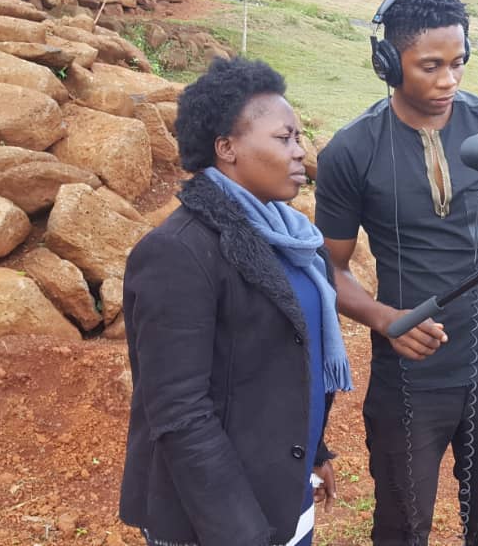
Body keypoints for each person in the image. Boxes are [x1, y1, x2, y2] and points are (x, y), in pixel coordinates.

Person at [314, 0, 478, 545]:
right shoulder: (351, 150)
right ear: (388, 63)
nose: (449, 81)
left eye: (460, 62)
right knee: (401, 527)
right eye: (431, 66)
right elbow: (330, 269)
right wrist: (384, 318)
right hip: (407, 380)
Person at [118, 57, 352, 546]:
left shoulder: (293, 242)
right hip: (216, 521)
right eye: (284, 138)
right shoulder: (177, 252)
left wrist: (312, 452)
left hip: (284, 498)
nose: (299, 152)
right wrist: (241, 532)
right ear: (226, 148)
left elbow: (284, 365)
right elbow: (179, 412)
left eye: (299, 138)